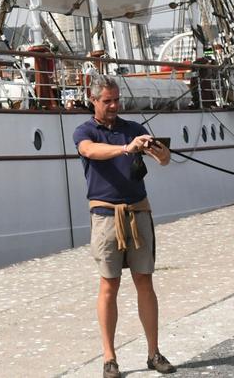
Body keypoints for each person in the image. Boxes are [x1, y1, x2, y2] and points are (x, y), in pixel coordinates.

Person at [74, 75, 177, 377]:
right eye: (107, 101)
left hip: (138, 212)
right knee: (109, 284)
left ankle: (153, 353)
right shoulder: (85, 130)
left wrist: (158, 151)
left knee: (145, 281)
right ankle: (109, 358)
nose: (114, 105)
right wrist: (125, 149)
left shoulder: (133, 129)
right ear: (93, 100)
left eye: (116, 99)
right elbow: (89, 151)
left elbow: (165, 160)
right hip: (106, 215)